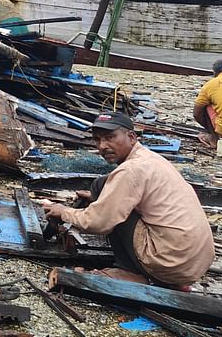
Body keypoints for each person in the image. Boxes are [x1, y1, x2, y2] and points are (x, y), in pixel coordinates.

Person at [41, 111, 213, 288]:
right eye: (98, 140)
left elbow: (99, 223)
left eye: (110, 137)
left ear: (131, 137)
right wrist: (99, 199)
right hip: (194, 264)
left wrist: (64, 212)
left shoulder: (130, 170)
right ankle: (163, 275)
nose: (102, 146)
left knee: (102, 188)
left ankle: (130, 271)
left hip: (169, 264)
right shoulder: (150, 158)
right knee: (104, 187)